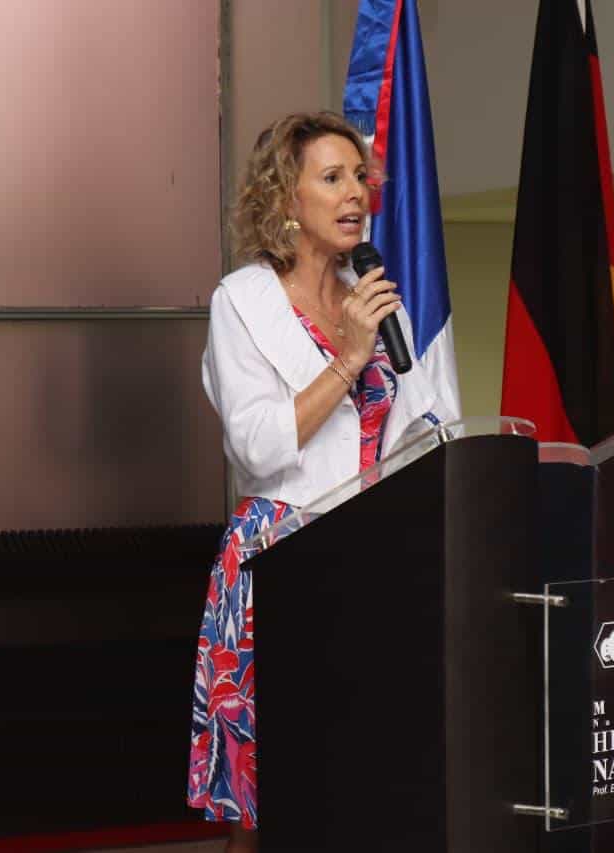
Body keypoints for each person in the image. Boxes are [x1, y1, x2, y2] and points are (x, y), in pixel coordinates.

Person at [187, 111, 457, 852]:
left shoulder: (371, 296)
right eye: (332, 178)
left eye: (360, 178)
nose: (356, 194)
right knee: (268, 808)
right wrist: (345, 356)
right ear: (284, 199)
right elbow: (258, 443)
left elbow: (423, 432)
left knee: (363, 783)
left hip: (371, 559)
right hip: (282, 556)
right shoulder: (241, 301)